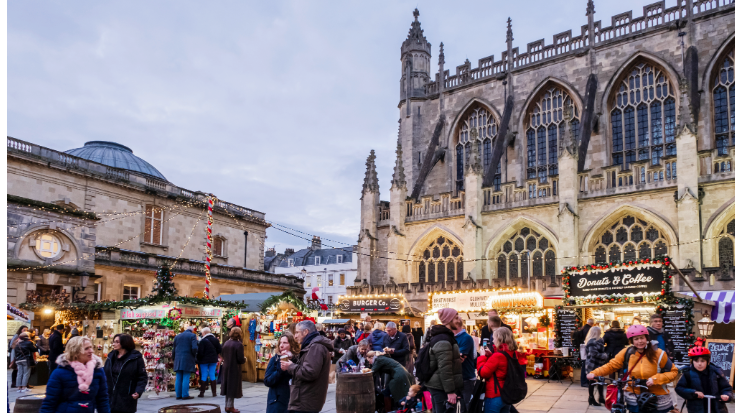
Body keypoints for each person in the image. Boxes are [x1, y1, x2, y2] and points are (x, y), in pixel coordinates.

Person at [587, 324, 679, 413]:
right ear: (631, 341)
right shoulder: (627, 352)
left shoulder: (659, 353)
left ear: (647, 338)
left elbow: (673, 372)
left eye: (642, 338)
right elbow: (611, 365)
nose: (640, 341)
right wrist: (595, 373)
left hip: (656, 398)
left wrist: (655, 379)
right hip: (634, 397)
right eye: (636, 339)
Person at [40, 336, 111, 413]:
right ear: (75, 352)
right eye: (86, 348)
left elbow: (103, 400)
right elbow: (49, 402)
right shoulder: (59, 373)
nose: (91, 351)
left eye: (91, 347)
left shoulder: (98, 371)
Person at [280, 320, 334, 413]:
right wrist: (292, 358)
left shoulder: (316, 347)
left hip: (306, 401)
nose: (295, 336)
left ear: (305, 332)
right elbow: (306, 365)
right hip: (304, 399)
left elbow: (309, 372)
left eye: (297, 332)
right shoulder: (311, 345)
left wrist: (290, 366)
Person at [675, 339, 733, 413]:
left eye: (702, 361)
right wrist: (693, 393)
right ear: (692, 362)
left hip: (716, 408)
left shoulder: (716, 372)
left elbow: (726, 387)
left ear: (708, 362)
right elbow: (679, 388)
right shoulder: (688, 373)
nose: (699, 364)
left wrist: (726, 395)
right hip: (696, 409)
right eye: (696, 361)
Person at [425, 308, 464, 413]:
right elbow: (445, 368)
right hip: (440, 388)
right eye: (455, 318)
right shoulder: (443, 339)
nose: (458, 320)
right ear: (449, 319)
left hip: (440, 386)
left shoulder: (445, 337)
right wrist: (450, 391)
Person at [477, 327, 520, 413]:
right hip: (507, 394)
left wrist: (482, 357)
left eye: (494, 338)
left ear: (499, 339)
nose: (492, 341)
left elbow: (483, 373)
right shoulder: (513, 353)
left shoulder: (498, 356)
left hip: (495, 395)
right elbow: (501, 367)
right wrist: (490, 356)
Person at [103, 334, 147, 413]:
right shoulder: (111, 357)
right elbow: (105, 373)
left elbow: (142, 377)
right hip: (110, 396)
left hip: (126, 397)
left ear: (124, 343)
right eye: (113, 342)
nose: (114, 344)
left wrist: (138, 391)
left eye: (117, 342)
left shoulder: (136, 358)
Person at [447, 311, 477, 411]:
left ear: (455, 324)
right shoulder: (451, 338)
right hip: (455, 378)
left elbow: (460, 359)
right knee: (451, 406)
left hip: (466, 378)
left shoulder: (466, 338)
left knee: (466, 406)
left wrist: (444, 360)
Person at [264, 332, 299, 413]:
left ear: (292, 345)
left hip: (293, 400)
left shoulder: (298, 359)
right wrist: (280, 371)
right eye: (280, 343)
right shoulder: (275, 359)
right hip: (277, 402)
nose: (281, 345)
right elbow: (267, 381)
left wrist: (292, 361)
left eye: (285, 343)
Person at [220, 327, 245, 413]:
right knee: (232, 387)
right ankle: (229, 407)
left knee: (228, 387)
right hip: (234, 368)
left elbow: (222, 354)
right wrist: (245, 359)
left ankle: (228, 405)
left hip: (226, 367)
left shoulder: (226, 343)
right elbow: (240, 359)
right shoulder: (238, 344)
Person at [172, 326, 198, 400]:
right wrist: (194, 356)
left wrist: (174, 358)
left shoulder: (177, 336)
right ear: (192, 331)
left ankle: (178, 395)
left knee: (179, 377)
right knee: (186, 376)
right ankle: (185, 395)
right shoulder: (192, 335)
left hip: (178, 359)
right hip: (188, 358)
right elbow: (194, 348)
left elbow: (174, 349)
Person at [584, 327, 607, 406]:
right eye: (599, 332)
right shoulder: (592, 342)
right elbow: (594, 354)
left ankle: (601, 397)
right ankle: (591, 398)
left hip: (599, 364)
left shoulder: (599, 340)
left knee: (601, 380)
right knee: (592, 381)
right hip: (593, 364)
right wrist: (604, 355)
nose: (601, 333)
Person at [196, 326, 222, 398]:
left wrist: (198, 359)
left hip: (204, 361)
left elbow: (200, 352)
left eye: (202, 333)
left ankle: (202, 393)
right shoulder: (215, 340)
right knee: (212, 375)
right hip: (213, 360)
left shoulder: (203, 341)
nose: (201, 334)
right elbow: (220, 350)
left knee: (204, 375)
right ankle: (214, 393)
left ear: (204, 333)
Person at [575, 318, 595, 387]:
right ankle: (584, 382)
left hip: (582, 349)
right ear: (592, 323)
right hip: (586, 349)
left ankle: (584, 381)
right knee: (586, 366)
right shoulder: (589, 329)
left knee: (584, 365)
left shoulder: (583, 328)